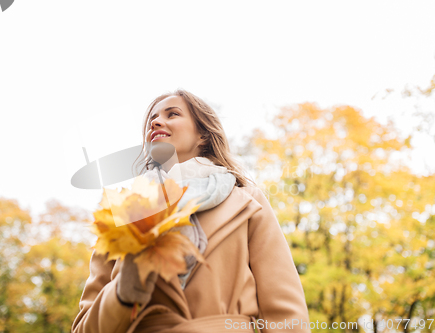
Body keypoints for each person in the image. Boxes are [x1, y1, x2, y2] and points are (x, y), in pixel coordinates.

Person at [71, 89, 312, 333]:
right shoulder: (122, 214)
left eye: (172, 114)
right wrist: (122, 293)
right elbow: (83, 328)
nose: (155, 122)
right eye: (152, 118)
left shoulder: (247, 200)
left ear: (203, 136)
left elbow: (285, 313)